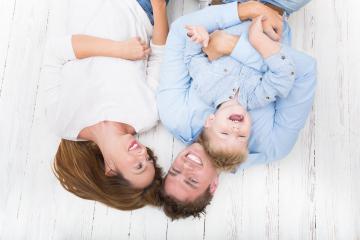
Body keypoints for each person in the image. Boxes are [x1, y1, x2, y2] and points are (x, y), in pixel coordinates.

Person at [157, 0, 316, 219]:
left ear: (210, 120)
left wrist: (249, 9)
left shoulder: (175, 115)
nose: (186, 167)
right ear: (213, 185)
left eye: (175, 170)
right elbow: (304, 71)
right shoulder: (272, 146)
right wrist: (232, 45)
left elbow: (180, 34)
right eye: (192, 180)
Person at [41, 0, 168, 210]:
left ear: (110, 170)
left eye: (138, 166)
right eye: (148, 160)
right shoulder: (146, 115)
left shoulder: (61, 120)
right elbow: (159, 55)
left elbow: (55, 53)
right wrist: (159, 7)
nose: (143, 154)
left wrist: (119, 50)